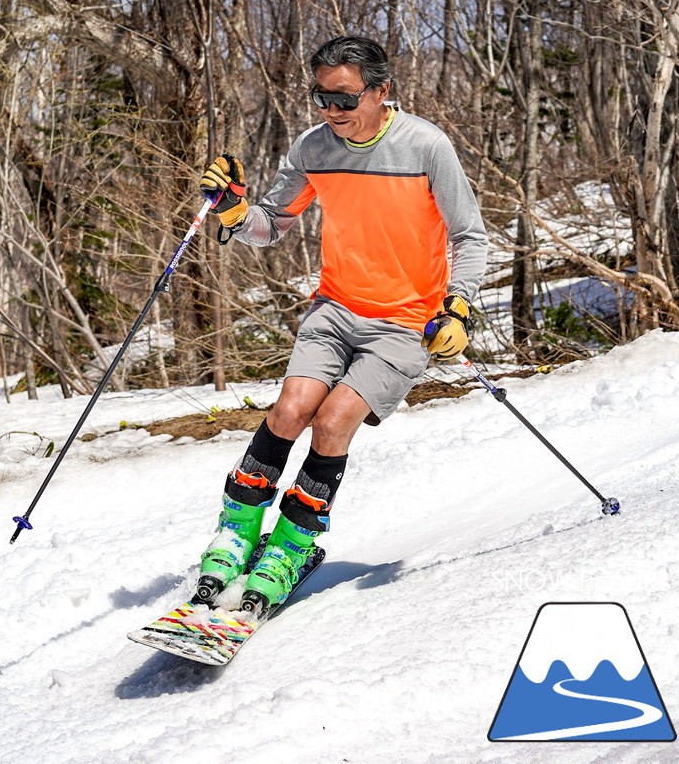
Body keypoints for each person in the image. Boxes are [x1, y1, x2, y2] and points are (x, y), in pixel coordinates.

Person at [195, 36, 489, 617]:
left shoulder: (426, 146)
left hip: (406, 321)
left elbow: (469, 237)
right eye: (321, 99)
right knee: (289, 410)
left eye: (344, 99)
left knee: (332, 422)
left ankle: (292, 546)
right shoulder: (314, 147)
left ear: (381, 92)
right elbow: (269, 226)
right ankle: (235, 532)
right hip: (335, 306)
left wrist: (458, 306)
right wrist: (232, 210)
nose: (332, 112)